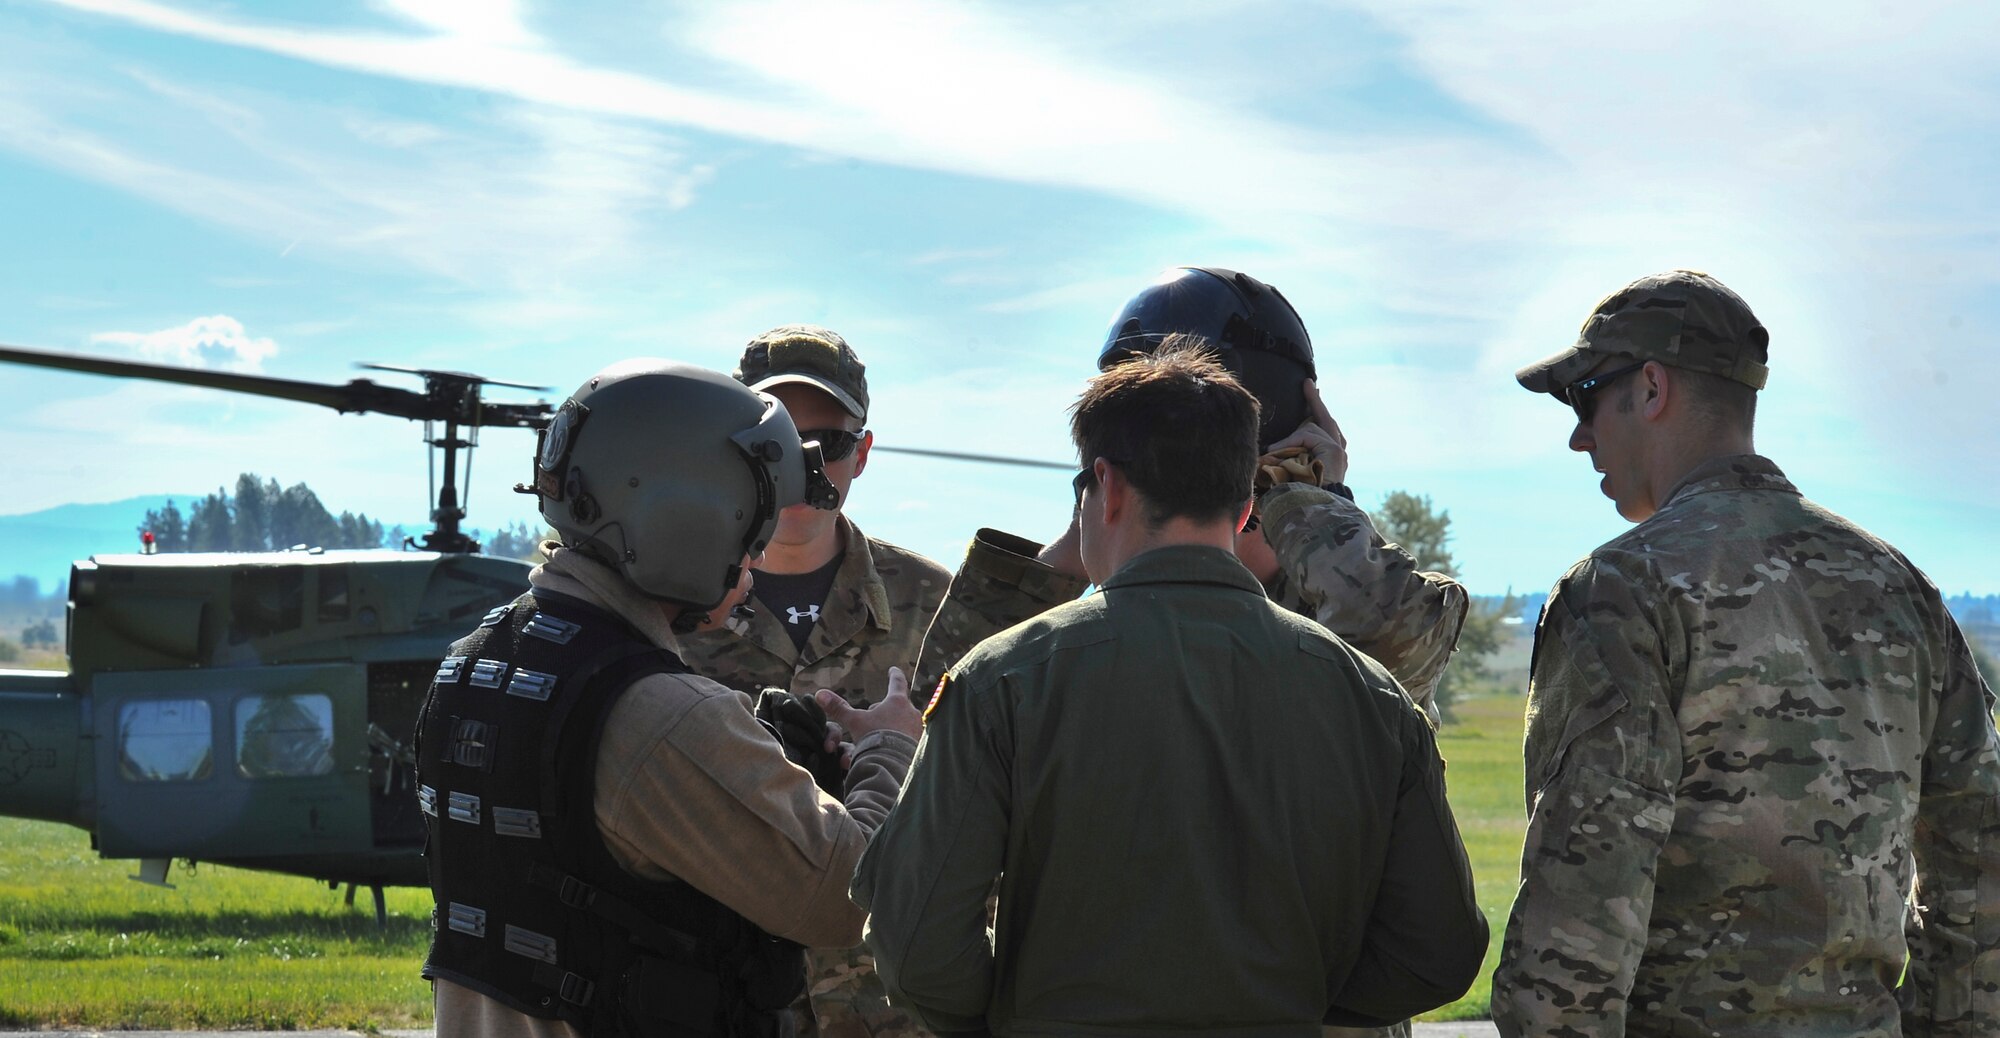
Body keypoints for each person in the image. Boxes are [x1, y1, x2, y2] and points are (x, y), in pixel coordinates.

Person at [853, 339, 1489, 1036]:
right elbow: (1439, 950)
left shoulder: (1002, 678)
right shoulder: (1374, 698)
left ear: (1110, 486)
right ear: (1247, 506)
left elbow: (916, 945)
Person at [1492, 269, 2000, 1037]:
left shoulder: (1622, 588)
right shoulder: (1902, 590)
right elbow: (1979, 865)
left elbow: (1580, 915)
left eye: (1586, 393)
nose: (1578, 434)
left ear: (1652, 388)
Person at [416, 359, 924, 1038]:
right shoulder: (662, 717)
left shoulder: (474, 663)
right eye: (752, 525)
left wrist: (754, 743)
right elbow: (845, 894)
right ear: (690, 521)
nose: (757, 555)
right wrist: (891, 748)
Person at [912, 267, 1467, 724]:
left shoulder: (1339, 608)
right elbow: (942, 706)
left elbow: (1395, 646)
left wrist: (1311, 503)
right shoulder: (1099, 621)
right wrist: (1085, 528)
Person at [669, 325, 950, 1038]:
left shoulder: (935, 603)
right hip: (719, 999)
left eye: (827, 445)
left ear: (863, 453)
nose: (804, 467)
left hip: (896, 1005)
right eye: (776, 444)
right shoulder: (670, 602)